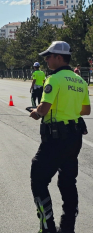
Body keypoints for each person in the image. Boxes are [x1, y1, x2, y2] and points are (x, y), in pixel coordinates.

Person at [29, 41, 91, 233]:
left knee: (38, 178)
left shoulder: (53, 79)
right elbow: (86, 110)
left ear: (59, 57)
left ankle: (47, 227)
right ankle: (68, 228)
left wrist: (36, 113)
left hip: (55, 139)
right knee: (68, 182)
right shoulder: (79, 80)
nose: (46, 60)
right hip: (74, 139)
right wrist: (68, 109)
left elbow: (44, 108)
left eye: (49, 56)